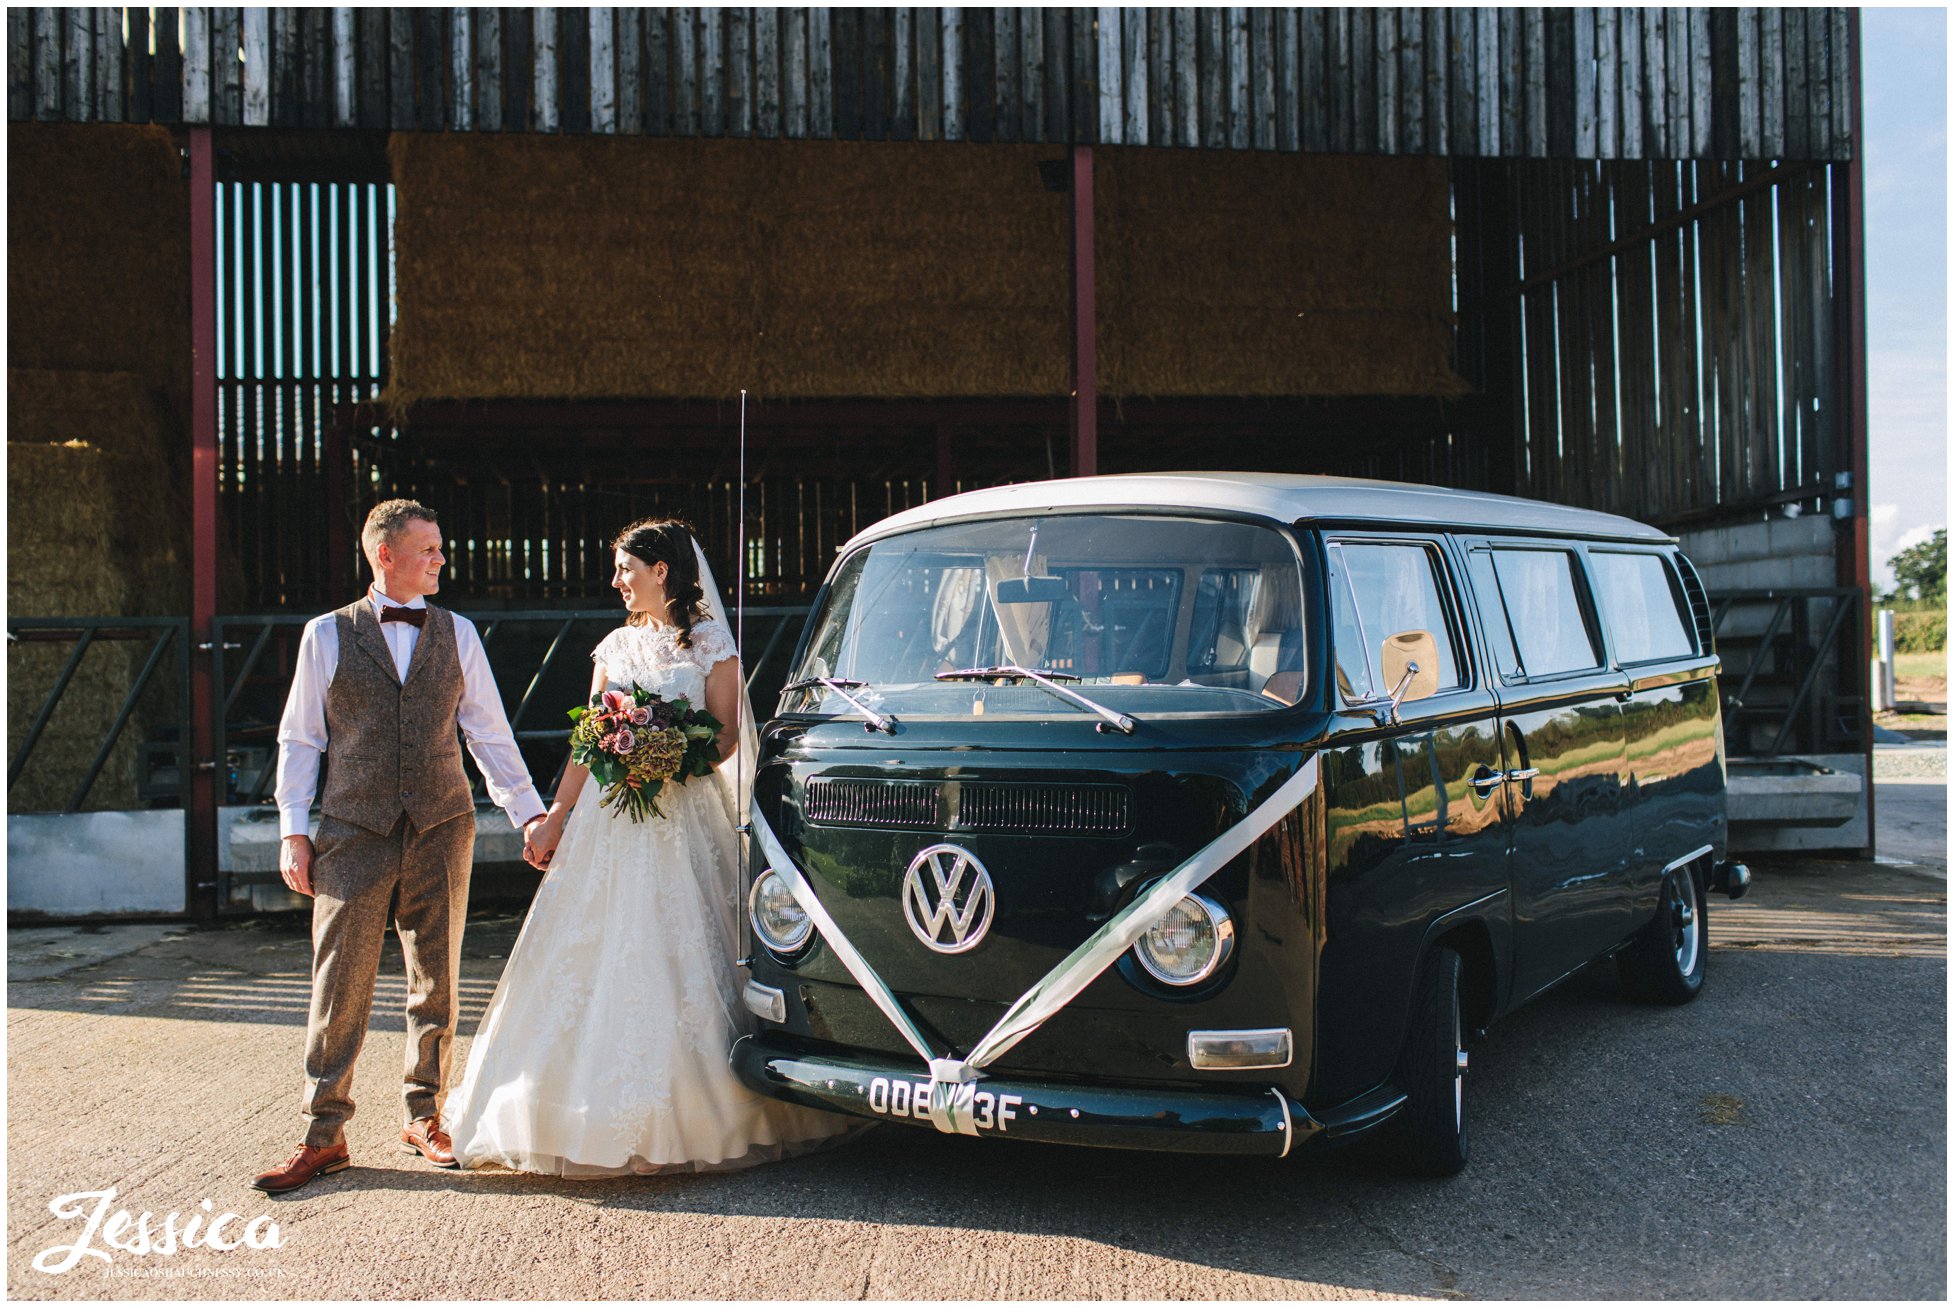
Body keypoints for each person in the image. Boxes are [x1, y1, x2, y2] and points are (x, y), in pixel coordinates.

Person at [443, 518, 853, 1175]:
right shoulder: (612, 648)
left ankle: (705, 1110)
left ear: (661, 570)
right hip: (612, 822)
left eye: (626, 568)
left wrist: (667, 759)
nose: (617, 581)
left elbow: (722, 738)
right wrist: (555, 817)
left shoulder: (712, 644)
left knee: (687, 945)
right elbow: (588, 739)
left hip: (687, 816)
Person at [253, 499, 550, 1194]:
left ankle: (426, 1113)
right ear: (385, 555)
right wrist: (293, 831)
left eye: (441, 547)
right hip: (352, 830)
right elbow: (300, 739)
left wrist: (530, 815)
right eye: (429, 549)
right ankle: (322, 1134)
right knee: (340, 981)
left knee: (437, 978)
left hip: (444, 823)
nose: (442, 559)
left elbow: (489, 734)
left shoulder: (460, 633)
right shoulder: (325, 635)